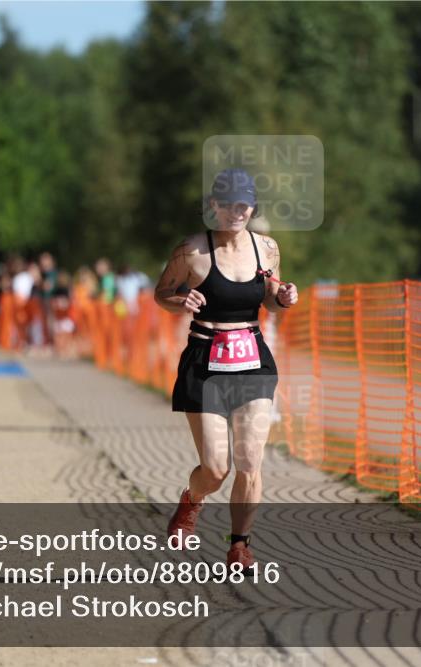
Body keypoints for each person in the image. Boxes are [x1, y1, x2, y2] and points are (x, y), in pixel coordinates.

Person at [154, 168, 299, 570]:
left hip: (252, 360)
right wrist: (179, 300)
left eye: (244, 204)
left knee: (251, 460)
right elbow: (161, 293)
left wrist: (283, 297)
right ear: (212, 206)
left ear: (252, 207)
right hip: (205, 361)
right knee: (217, 468)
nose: (237, 211)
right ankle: (192, 499)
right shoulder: (192, 252)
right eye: (228, 204)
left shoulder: (267, 249)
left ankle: (240, 545)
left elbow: (269, 297)